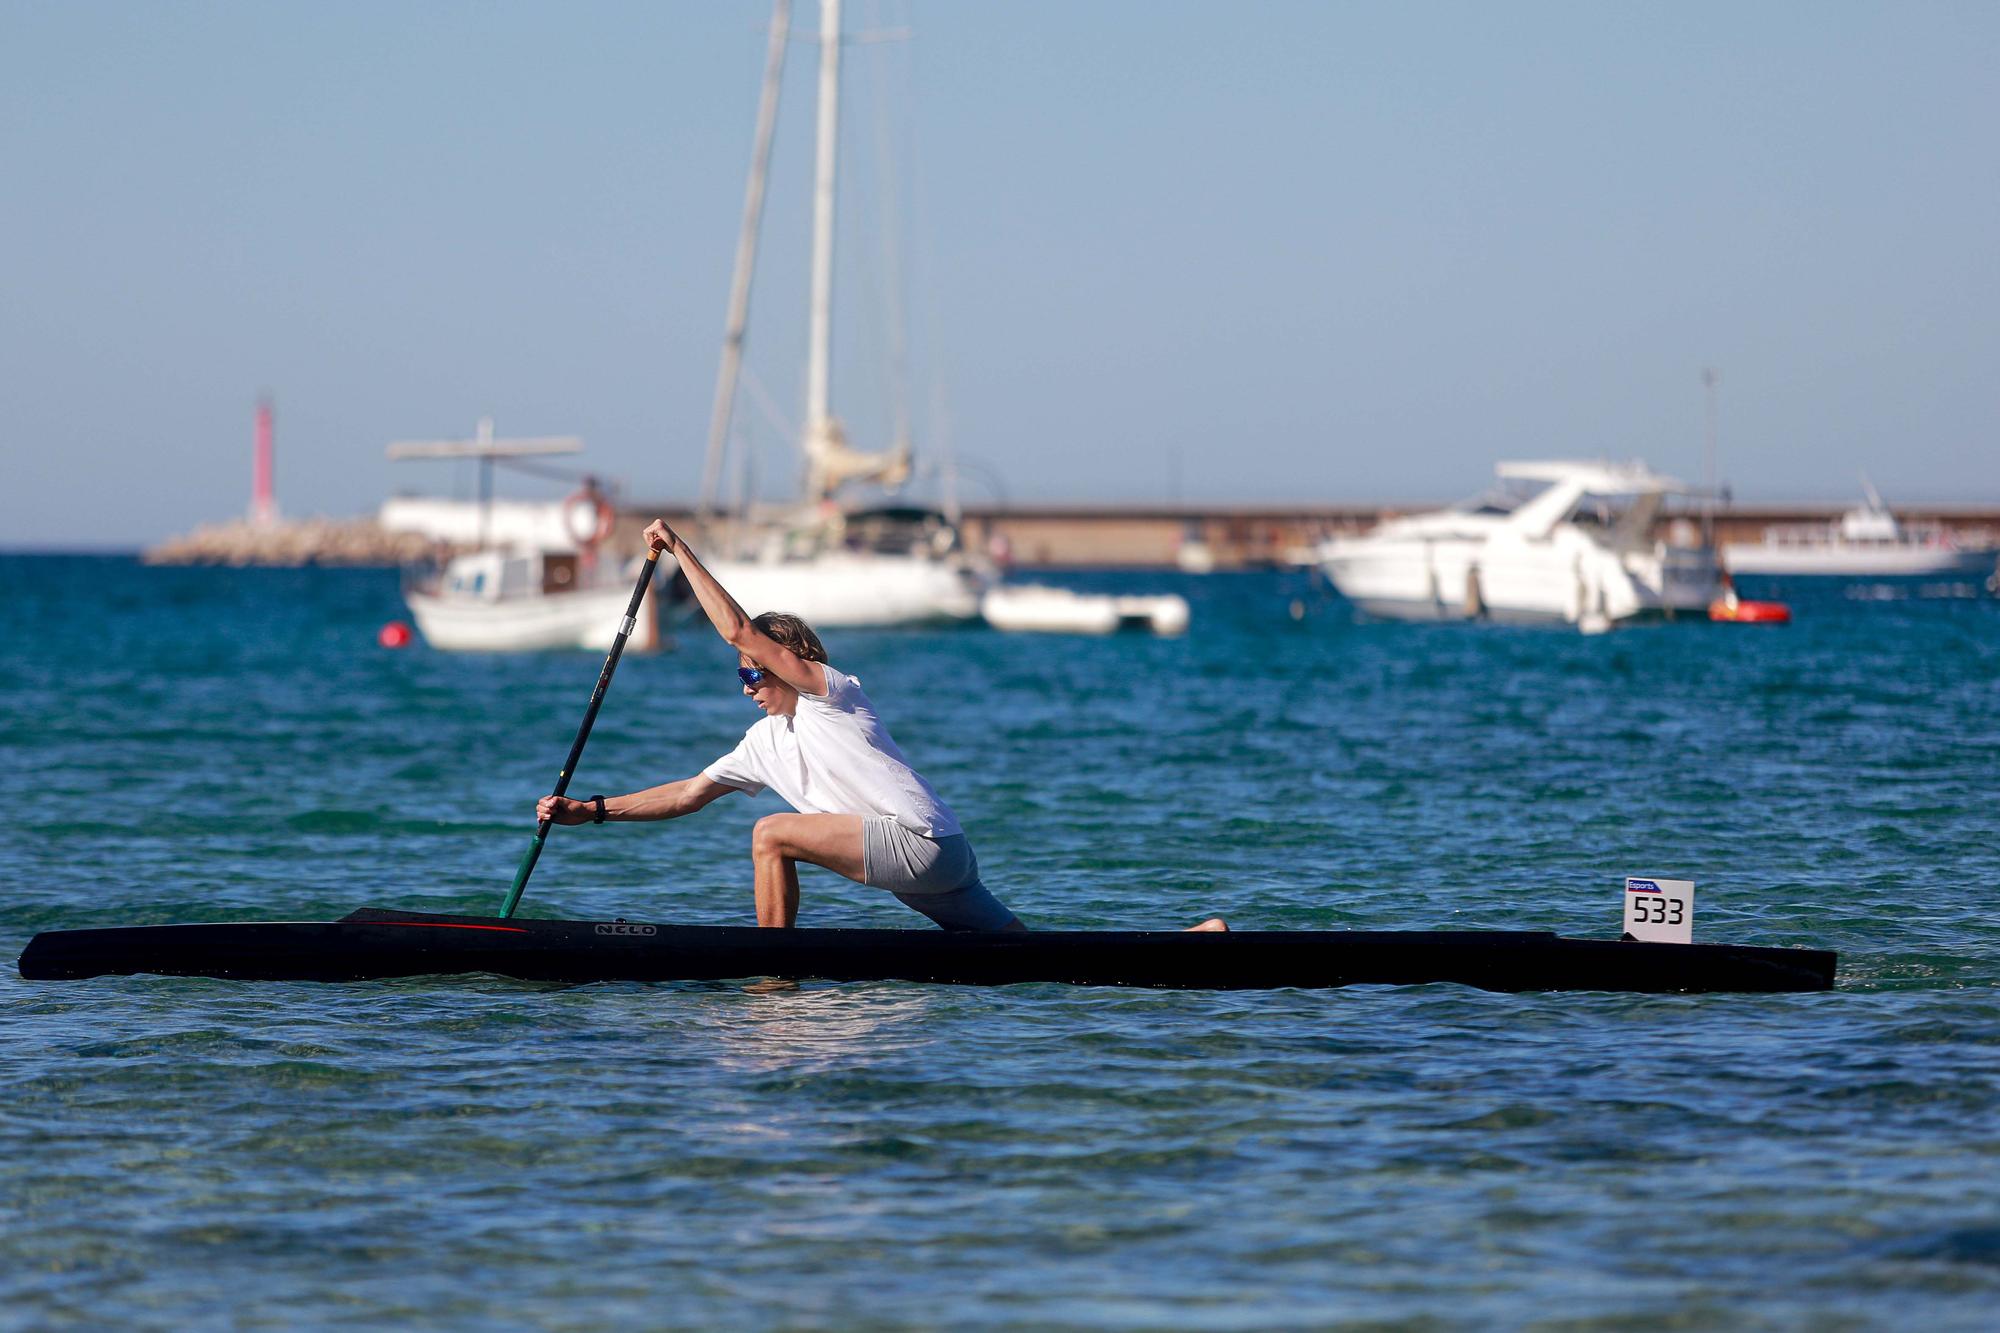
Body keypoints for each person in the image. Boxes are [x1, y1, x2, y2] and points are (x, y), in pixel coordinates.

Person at [538, 519, 1226, 933]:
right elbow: (685, 794)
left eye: (755, 671)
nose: (747, 683)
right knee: (1026, 958)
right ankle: (1193, 942)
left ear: (793, 663)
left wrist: (680, 546)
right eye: (742, 674)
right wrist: (590, 811)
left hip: (923, 846)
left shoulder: (832, 695)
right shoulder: (761, 744)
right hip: (938, 862)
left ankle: (773, 977)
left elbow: (740, 628)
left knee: (769, 832)